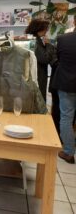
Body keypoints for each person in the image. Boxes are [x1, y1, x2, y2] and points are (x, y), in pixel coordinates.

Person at [25, 19, 60, 135]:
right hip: (39, 75)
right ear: (39, 29)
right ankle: (37, 128)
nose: (47, 30)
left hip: (36, 74)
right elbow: (44, 59)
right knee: (39, 99)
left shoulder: (35, 40)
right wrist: (49, 45)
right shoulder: (36, 42)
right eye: (45, 28)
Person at [51, 30, 76, 164]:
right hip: (67, 83)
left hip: (67, 83)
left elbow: (58, 59)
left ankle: (68, 152)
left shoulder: (63, 39)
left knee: (66, 117)